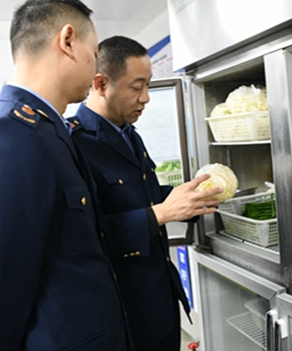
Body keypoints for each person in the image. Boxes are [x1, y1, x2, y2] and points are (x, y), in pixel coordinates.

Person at [0, 0, 134, 351]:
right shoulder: (10, 136)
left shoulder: (47, 129)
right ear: (67, 41)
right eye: (94, 53)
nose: (96, 66)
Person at [69, 36, 222, 351]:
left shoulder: (129, 134)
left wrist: (194, 194)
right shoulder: (76, 144)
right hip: (123, 311)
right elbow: (88, 236)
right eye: (136, 87)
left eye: (149, 86)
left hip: (159, 297)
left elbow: (146, 196)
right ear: (100, 84)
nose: (146, 98)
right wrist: (164, 213)